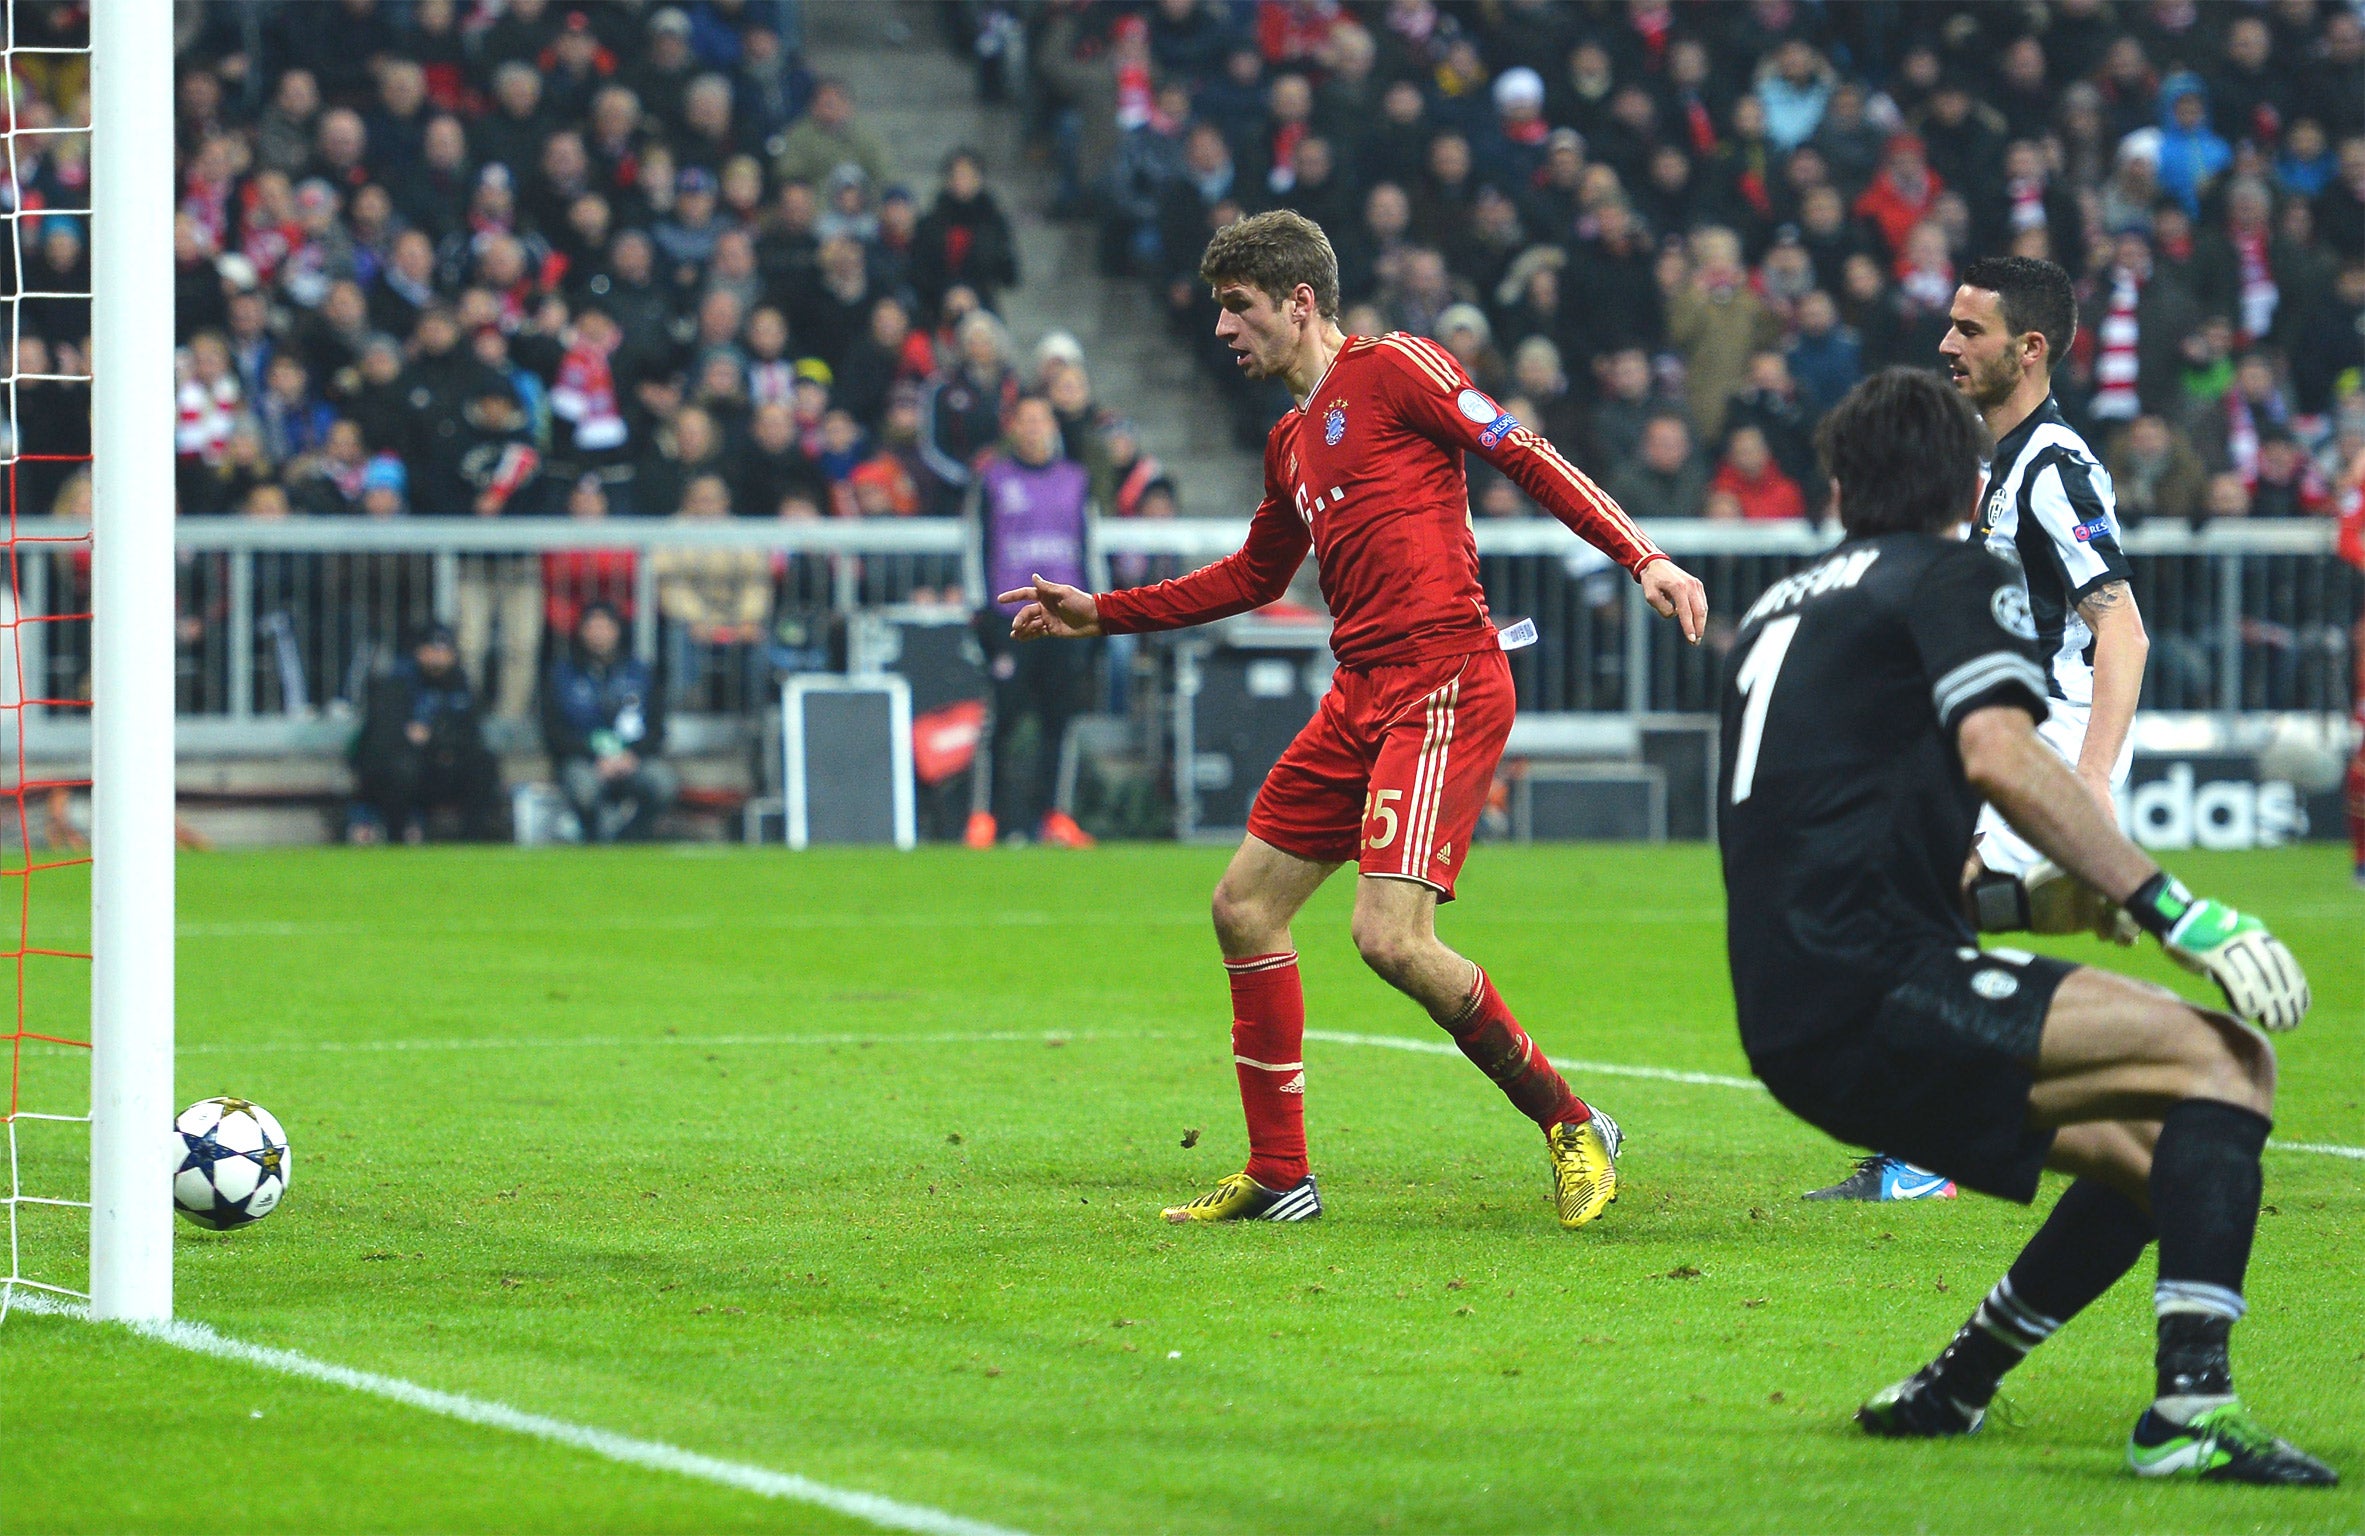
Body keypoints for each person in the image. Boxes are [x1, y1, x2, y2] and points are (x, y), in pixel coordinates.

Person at [999, 210, 1706, 1229]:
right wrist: (1103, 613)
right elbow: (1252, 576)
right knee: (1243, 907)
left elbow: (1526, 451)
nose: (1222, 332)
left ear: (1298, 303)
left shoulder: (1397, 369)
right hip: (1361, 694)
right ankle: (1281, 1173)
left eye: (1237, 310)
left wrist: (1643, 556)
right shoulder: (1290, 441)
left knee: (1388, 937)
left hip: (1443, 682)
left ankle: (1572, 1121)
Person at [1720, 365, 2328, 1485]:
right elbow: (1999, 754)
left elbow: (1853, 848)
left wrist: (2030, 903)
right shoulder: (1951, 574)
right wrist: (2169, 904)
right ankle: (2191, 1406)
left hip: (1784, 1010)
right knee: (2227, 1063)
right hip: (1877, 987)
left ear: (1840, 482)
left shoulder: (1779, 608)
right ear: (1968, 481)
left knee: (2158, 1161)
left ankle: (1953, 1389)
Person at [1805, 256, 2153, 1203]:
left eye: (1970, 331)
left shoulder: (2055, 465)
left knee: (1938, 912)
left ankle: (1939, 1152)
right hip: (1998, 726)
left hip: (2047, 734)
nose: (1947, 344)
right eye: (1950, 326)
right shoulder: (2002, 464)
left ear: (2028, 348)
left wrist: (2090, 780)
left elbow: (2120, 629)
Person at [966, 394, 1100, 852]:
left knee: (1058, 722)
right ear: (1013, 427)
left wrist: (1099, 611)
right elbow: (975, 543)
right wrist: (979, 609)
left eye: (1041, 419)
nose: (1033, 427)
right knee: (1001, 721)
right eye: (1025, 419)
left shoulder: (1076, 480)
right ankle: (987, 818)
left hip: (1064, 621)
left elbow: (1090, 546)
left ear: (1052, 426)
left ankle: (1054, 817)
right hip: (1010, 618)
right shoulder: (993, 480)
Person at [348, 623, 504, 843]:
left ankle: (472, 840)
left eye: (443, 651)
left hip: (440, 765)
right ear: (419, 651)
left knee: (483, 764)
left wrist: (434, 739)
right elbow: (383, 738)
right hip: (404, 769)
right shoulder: (398, 681)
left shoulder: (461, 684)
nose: (437, 657)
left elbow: (470, 735)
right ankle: (397, 837)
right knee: (402, 768)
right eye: (432, 650)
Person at [542, 602, 675, 843]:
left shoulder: (641, 673)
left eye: (605, 627)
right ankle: (594, 838)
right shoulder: (562, 675)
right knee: (583, 786)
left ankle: (633, 837)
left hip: (633, 760)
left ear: (617, 630)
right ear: (582, 631)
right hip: (585, 760)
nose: (599, 634)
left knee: (662, 781)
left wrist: (632, 755)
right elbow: (553, 731)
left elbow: (657, 727)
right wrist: (594, 757)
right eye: (593, 627)